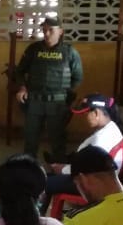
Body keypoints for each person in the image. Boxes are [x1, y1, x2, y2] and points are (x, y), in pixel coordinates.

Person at [13, 15, 83, 162]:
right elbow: (19, 72)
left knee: (58, 141)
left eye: (51, 30)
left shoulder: (70, 52)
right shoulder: (33, 49)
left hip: (57, 105)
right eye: (44, 30)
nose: (46, 33)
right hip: (35, 102)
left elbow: (77, 78)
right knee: (30, 140)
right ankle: (28, 169)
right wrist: (22, 88)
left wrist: (65, 97)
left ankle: (58, 172)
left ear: (61, 31)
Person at [46, 93, 123, 198]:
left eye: (86, 114)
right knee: (45, 176)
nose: (85, 118)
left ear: (96, 113)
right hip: (93, 178)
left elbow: (86, 170)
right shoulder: (111, 129)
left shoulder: (101, 140)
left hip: (88, 183)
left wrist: (62, 169)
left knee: (40, 182)